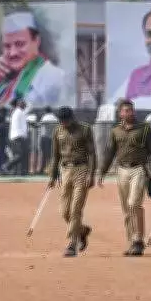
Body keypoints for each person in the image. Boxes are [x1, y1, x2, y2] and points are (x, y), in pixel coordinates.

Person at [98, 99, 151, 256]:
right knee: (126, 208)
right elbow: (109, 152)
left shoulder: (144, 129)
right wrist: (102, 172)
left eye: (131, 110)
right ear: (120, 113)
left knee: (134, 203)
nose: (129, 113)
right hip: (122, 170)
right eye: (126, 111)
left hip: (139, 169)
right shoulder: (115, 131)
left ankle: (139, 239)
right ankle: (132, 241)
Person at [0, 9, 67, 108]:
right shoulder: (6, 80)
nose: (13, 53)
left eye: (20, 44)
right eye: (7, 46)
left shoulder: (53, 77)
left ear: (36, 41)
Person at [48, 106, 95, 257]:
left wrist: (91, 174)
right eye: (61, 121)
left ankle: (72, 243)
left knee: (76, 209)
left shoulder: (85, 129)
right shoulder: (57, 131)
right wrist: (52, 176)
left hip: (81, 169)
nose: (64, 123)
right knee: (64, 211)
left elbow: (92, 153)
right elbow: (55, 155)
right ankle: (82, 230)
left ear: (72, 118)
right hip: (65, 170)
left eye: (66, 120)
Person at [4, 98, 29, 175]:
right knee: (20, 155)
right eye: (23, 103)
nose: (25, 105)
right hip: (18, 136)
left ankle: (20, 172)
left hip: (16, 136)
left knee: (21, 155)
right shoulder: (20, 112)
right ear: (19, 104)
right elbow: (23, 126)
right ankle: (7, 166)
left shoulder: (16, 112)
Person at [38, 106, 58, 173]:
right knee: (51, 154)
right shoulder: (54, 117)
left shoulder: (44, 117)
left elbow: (40, 125)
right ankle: (51, 169)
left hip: (44, 138)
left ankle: (42, 169)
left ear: (45, 111)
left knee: (44, 154)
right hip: (52, 138)